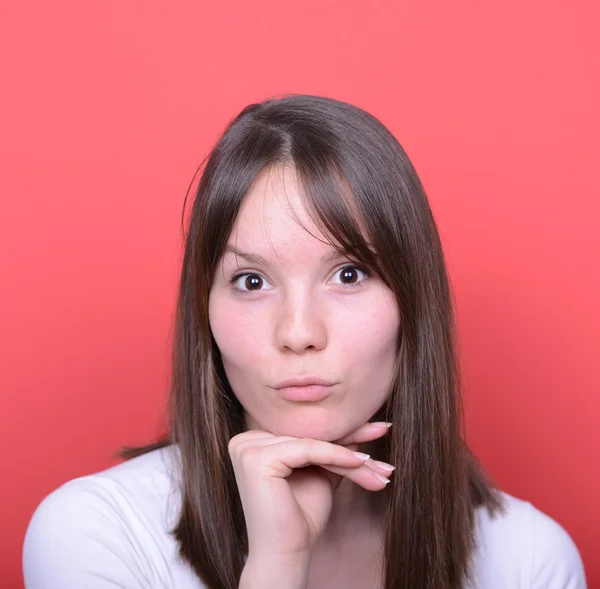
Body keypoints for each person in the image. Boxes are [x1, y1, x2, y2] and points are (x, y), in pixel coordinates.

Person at [22, 94, 587, 589]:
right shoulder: (98, 532)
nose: (298, 333)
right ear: (204, 310)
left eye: (348, 275)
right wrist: (276, 566)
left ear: (412, 301)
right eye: (252, 281)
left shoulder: (527, 560)